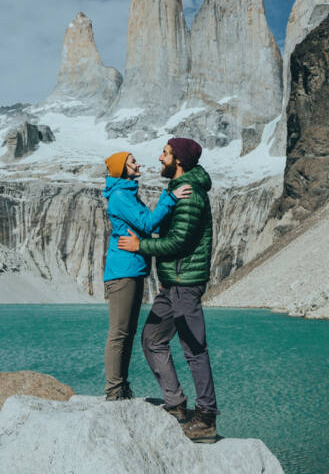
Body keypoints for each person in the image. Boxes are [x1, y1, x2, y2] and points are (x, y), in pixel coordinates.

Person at [117, 137, 218, 443]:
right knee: (152, 339)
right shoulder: (178, 190)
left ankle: (206, 418)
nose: (160, 158)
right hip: (173, 282)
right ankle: (176, 404)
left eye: (165, 153)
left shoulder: (190, 194)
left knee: (194, 349)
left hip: (185, 283)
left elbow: (180, 241)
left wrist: (140, 246)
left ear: (179, 160)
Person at [102, 150, 191, 401]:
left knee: (127, 332)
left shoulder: (127, 193)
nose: (138, 164)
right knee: (119, 333)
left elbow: (146, 224)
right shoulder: (121, 196)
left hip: (132, 269)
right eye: (132, 161)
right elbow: (148, 223)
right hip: (123, 272)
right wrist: (170, 197)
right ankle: (113, 390)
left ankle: (121, 386)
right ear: (122, 168)